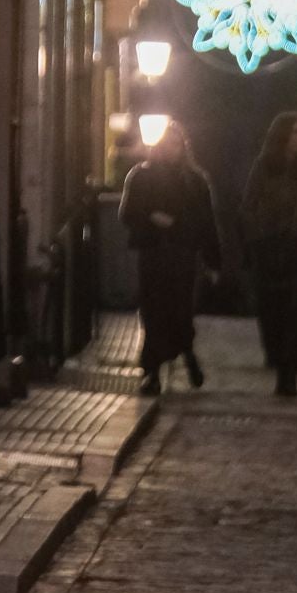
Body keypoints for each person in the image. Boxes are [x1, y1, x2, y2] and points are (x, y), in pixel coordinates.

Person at [120, 126, 221, 395]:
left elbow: (207, 222)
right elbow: (128, 213)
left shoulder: (195, 181)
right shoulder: (141, 176)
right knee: (153, 311)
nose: (170, 150)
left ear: (183, 148)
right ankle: (151, 370)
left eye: (175, 144)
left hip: (183, 254)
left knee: (181, 309)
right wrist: (151, 219)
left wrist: (213, 260)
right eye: (165, 144)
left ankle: (186, 351)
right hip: (153, 253)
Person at [242, 112, 297, 396]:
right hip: (269, 249)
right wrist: (261, 236)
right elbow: (249, 205)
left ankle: (288, 373)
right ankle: (279, 358)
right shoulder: (265, 165)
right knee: (273, 311)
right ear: (282, 136)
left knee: (294, 311)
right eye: (295, 132)